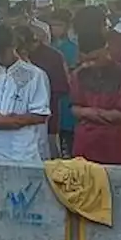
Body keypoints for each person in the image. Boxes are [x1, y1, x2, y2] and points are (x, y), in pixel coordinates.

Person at [0, 23, 51, 163]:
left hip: (21, 151)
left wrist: (10, 121)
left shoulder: (35, 75)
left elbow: (41, 115)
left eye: (2, 52)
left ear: (12, 46)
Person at [68, 6, 121, 165]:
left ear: (107, 50)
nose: (89, 64)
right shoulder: (79, 74)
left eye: (95, 59)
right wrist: (103, 114)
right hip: (84, 146)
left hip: (115, 146)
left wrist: (90, 113)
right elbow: (75, 108)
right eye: (86, 60)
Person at [21, 23, 71, 159]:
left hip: (48, 116)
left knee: (50, 155)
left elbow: (63, 87)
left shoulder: (54, 56)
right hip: (19, 119)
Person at [49, 9, 79, 156]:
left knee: (70, 136)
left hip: (69, 97)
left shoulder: (74, 48)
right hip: (52, 97)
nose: (55, 29)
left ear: (67, 26)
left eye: (59, 25)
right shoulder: (48, 47)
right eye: (53, 25)